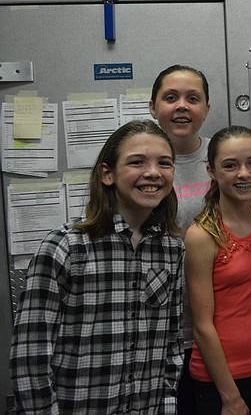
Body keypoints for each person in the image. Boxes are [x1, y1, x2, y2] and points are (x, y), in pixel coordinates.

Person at [11, 120, 184, 414]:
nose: (153, 172)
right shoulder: (63, 248)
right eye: (137, 162)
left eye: (164, 163)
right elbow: (31, 360)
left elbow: (172, 344)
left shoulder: (172, 250)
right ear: (107, 174)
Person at [184, 126, 251, 415]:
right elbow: (202, 325)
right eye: (230, 165)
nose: (244, 173)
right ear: (211, 171)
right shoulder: (202, 235)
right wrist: (230, 397)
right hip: (223, 379)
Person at [149, 64, 211, 414]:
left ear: (207, 108)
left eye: (193, 98)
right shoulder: (139, 163)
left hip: (215, 328)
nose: (182, 106)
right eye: (170, 98)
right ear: (153, 107)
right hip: (156, 331)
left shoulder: (224, 161)